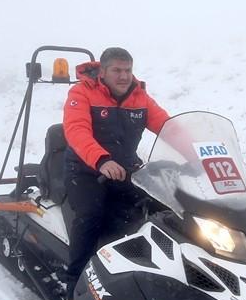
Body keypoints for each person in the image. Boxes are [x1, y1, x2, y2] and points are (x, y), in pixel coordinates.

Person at [61, 47, 170, 285]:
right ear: (102, 71)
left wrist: (198, 148)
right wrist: (102, 160)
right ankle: (74, 282)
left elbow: (168, 127)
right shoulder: (82, 92)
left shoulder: (140, 97)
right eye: (117, 70)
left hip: (126, 170)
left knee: (167, 208)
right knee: (91, 214)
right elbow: (76, 130)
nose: (124, 76)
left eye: (128, 70)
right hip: (85, 170)